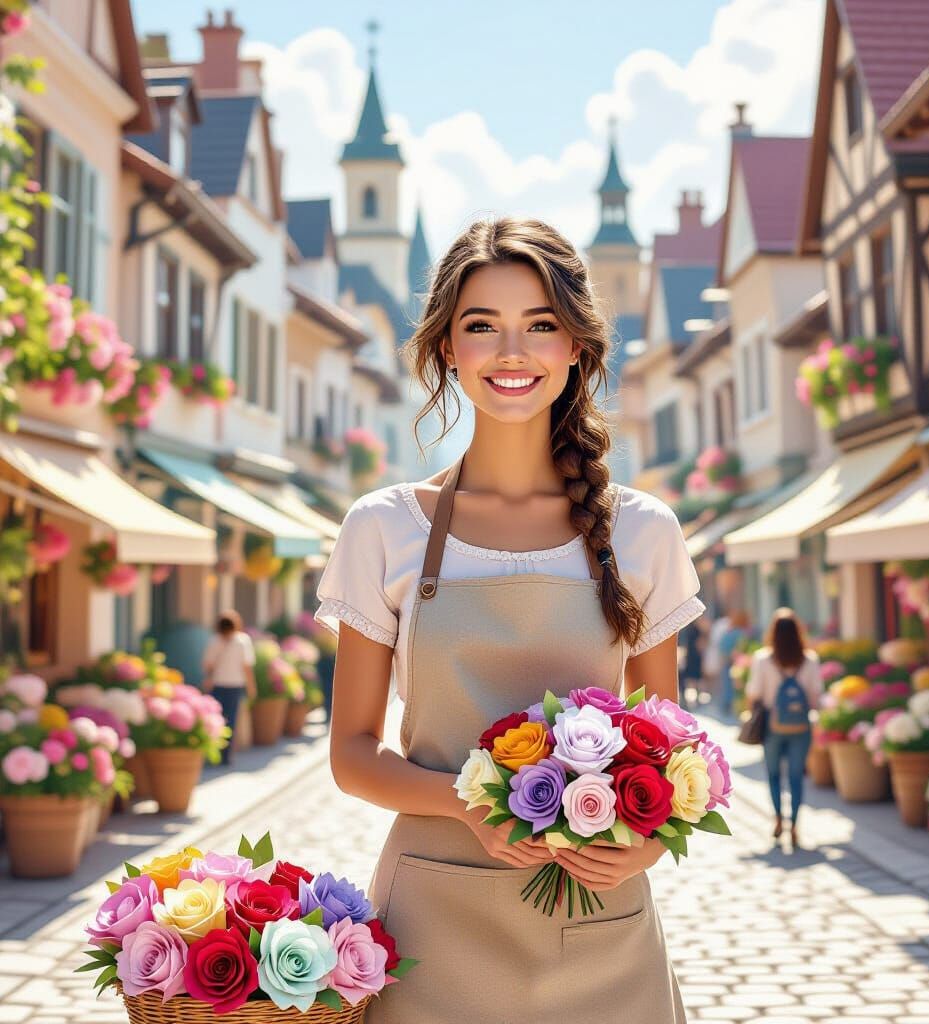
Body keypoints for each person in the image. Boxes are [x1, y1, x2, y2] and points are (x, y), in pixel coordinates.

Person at [314, 217, 705, 1022]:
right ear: (447, 348)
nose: (512, 352)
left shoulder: (643, 532)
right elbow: (351, 754)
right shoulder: (385, 528)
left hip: (602, 928)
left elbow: (675, 756)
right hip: (431, 933)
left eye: (541, 325)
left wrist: (644, 849)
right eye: (482, 326)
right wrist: (468, 805)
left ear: (577, 346)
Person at [745, 608, 821, 847]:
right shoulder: (809, 660)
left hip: (772, 725)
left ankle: (778, 818)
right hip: (801, 726)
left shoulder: (763, 660)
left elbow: (754, 693)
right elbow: (816, 697)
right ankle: (795, 825)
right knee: (797, 776)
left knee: (774, 774)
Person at [200, 610, 256, 767]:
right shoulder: (243, 641)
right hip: (235, 685)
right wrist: (252, 687)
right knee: (230, 720)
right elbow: (247, 667)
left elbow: (207, 665)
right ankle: (226, 756)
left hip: (217, 685)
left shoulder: (214, 641)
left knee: (216, 720)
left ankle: (215, 753)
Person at [716, 609, 751, 717]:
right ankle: (737, 708)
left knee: (727, 684)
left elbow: (721, 646)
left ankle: (726, 706)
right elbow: (744, 648)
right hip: (739, 664)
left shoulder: (729, 632)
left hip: (727, 662)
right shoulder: (742, 633)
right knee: (737, 687)